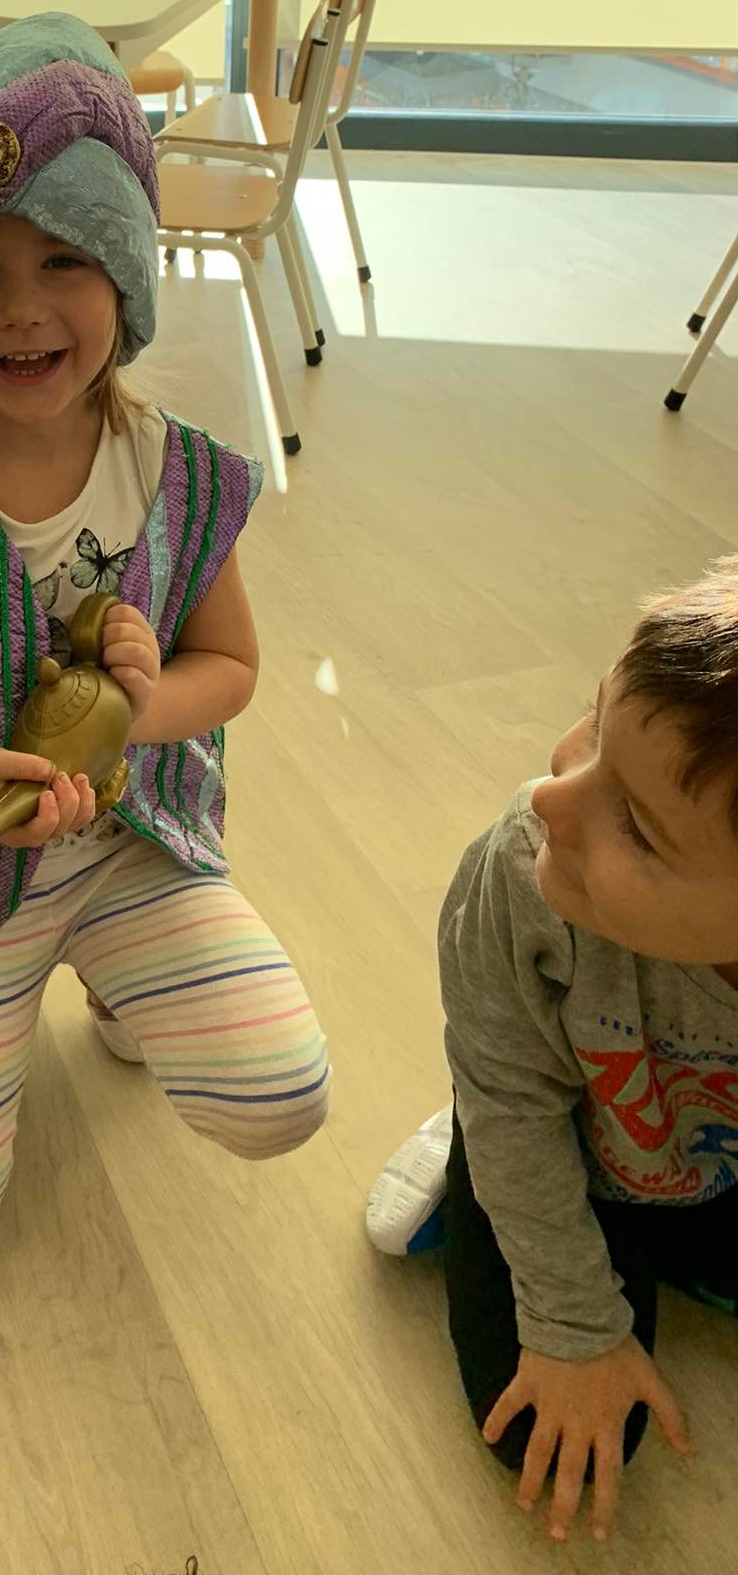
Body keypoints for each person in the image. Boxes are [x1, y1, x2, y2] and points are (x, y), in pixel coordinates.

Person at [0, 12, 330, 1271]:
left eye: (65, 258)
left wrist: (142, 705)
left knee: (282, 1090)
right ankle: (27, 982)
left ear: (126, 275)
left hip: (133, 843)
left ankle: (114, 969)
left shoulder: (179, 472)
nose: (24, 308)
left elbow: (232, 668)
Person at [366, 558, 738, 1543]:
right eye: (593, 722)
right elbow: (513, 1098)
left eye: (640, 831)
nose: (551, 796)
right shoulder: (525, 875)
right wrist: (576, 1325)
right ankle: (461, 1164)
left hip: (704, 1156)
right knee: (545, 1424)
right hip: (558, 1135)